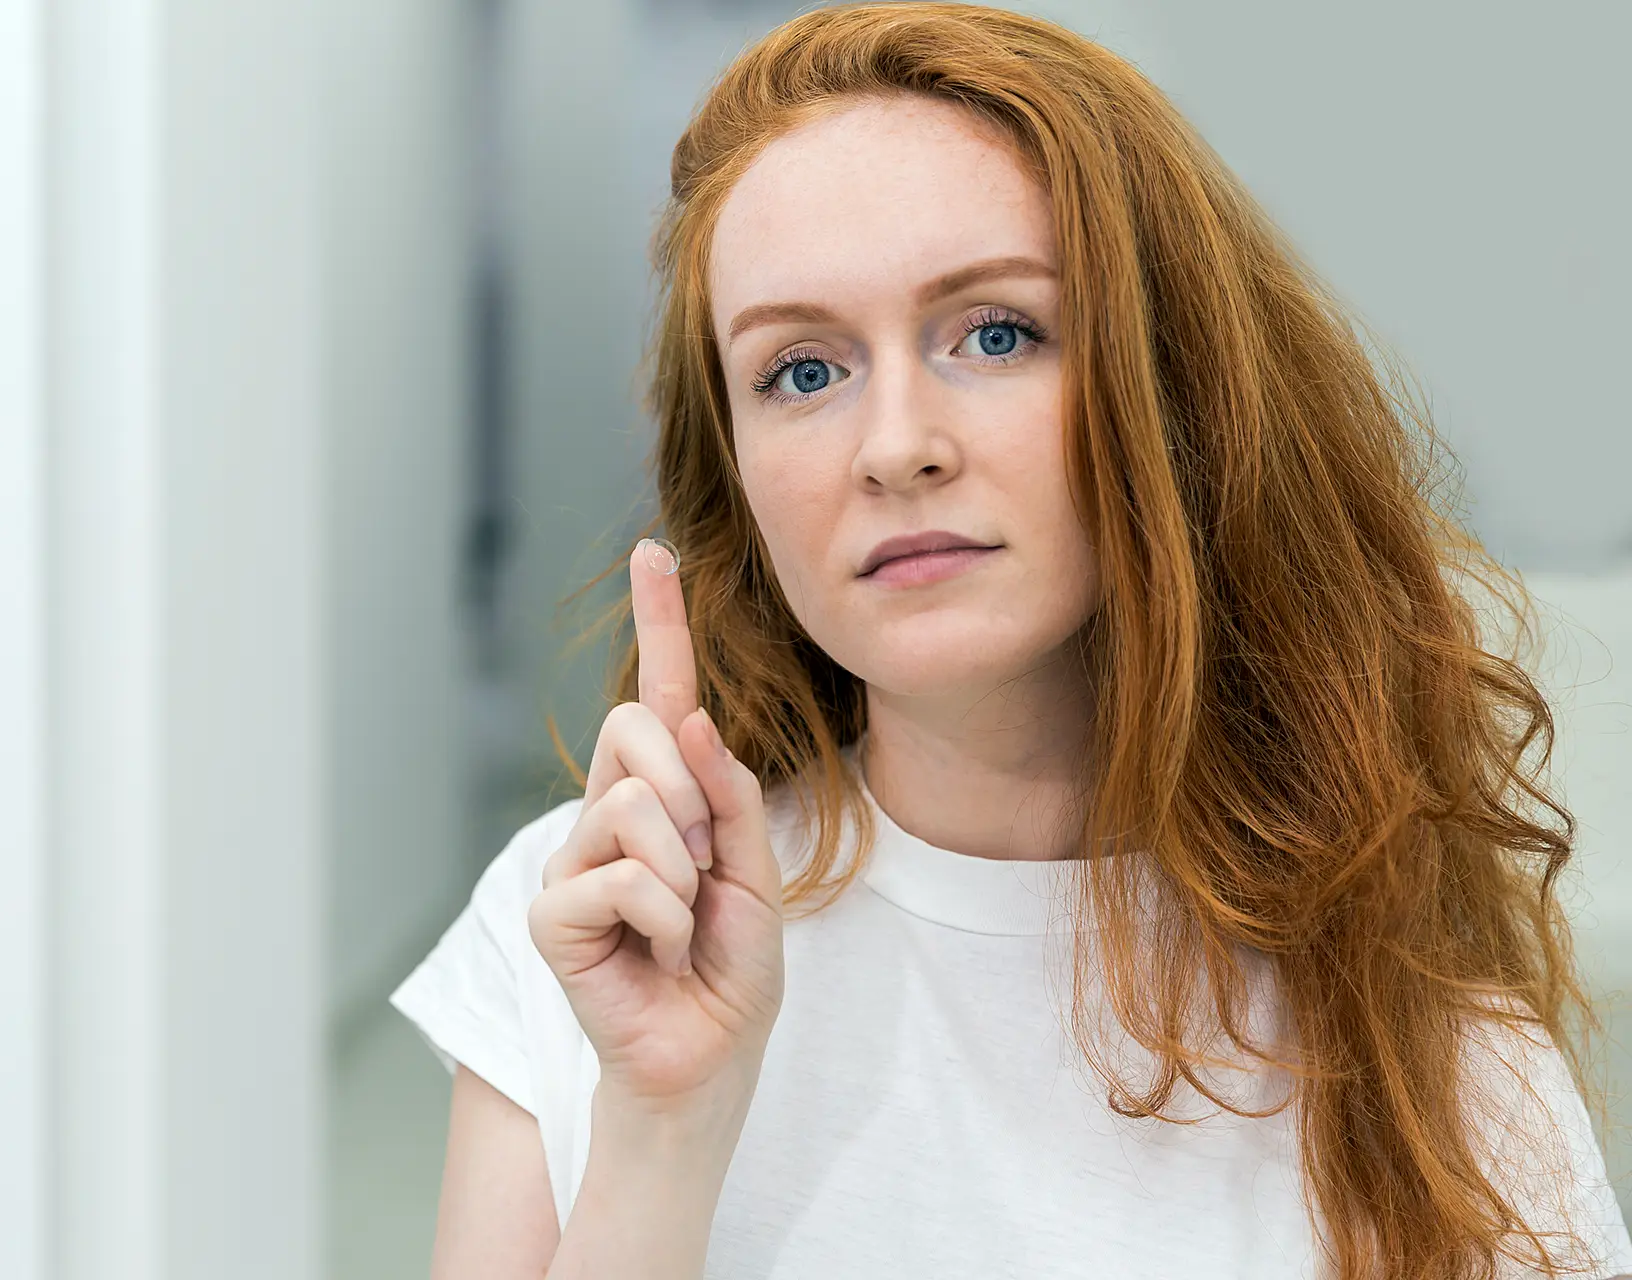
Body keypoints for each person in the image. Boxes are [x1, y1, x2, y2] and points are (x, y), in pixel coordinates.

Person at [389, 4, 1632, 1277]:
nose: (897, 445)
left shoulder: (1422, 1025)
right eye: (801, 372)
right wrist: (660, 1128)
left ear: (1177, 391)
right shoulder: (583, 931)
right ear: (738, 476)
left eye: (996, 333)